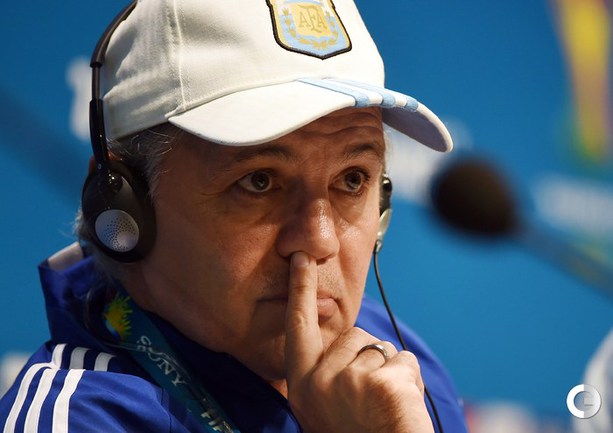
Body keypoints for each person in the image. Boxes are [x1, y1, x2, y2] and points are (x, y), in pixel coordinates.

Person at [0, 0, 468, 432]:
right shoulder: (78, 419)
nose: (319, 240)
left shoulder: (400, 367)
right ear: (123, 212)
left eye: (352, 179)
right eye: (259, 181)